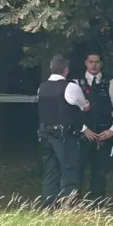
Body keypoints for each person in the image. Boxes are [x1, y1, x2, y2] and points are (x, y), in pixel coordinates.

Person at [74, 51, 113, 205]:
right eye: (91, 62)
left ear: (101, 63)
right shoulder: (76, 83)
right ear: (86, 63)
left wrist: (112, 130)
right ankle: (73, 205)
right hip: (81, 135)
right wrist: (84, 129)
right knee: (77, 171)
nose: (94, 65)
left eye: (97, 62)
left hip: (103, 136)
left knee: (100, 173)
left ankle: (96, 205)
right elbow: (70, 111)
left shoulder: (110, 83)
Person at [37, 54, 90, 209]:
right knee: (69, 172)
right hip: (64, 137)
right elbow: (83, 105)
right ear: (66, 70)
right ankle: (68, 208)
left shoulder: (42, 87)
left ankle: (48, 207)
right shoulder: (70, 86)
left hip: (45, 136)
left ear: (50, 68)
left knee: (50, 173)